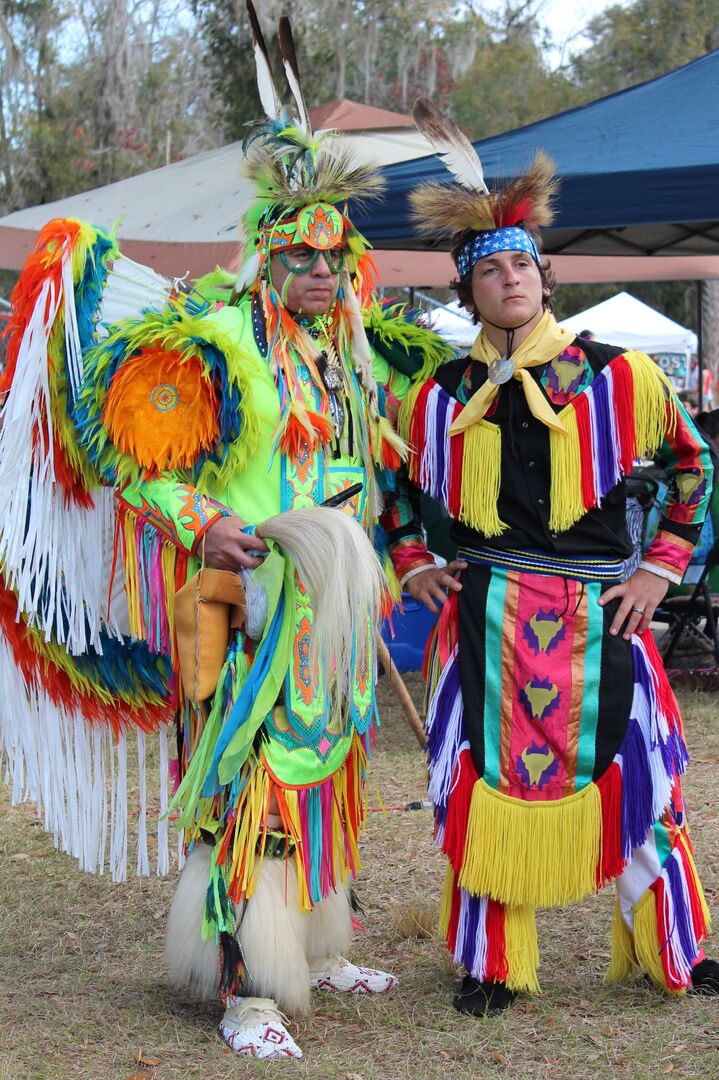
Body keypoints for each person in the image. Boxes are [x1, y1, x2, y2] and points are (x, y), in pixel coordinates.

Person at [0, 10, 455, 1061]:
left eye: (334, 259)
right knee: (254, 776)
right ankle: (247, 986)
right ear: (264, 251)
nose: (319, 273)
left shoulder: (341, 354)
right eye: (298, 254)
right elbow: (134, 464)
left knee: (332, 758)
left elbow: (369, 460)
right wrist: (205, 524)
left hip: (335, 595)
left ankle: (319, 945)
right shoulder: (210, 339)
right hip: (241, 595)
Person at [393, 97, 719, 1015]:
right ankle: (490, 964)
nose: (508, 280)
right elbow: (392, 488)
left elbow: (693, 466)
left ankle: (677, 948)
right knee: (479, 783)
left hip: (596, 609)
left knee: (638, 773)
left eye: (519, 265)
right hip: (487, 612)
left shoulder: (615, 374)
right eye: (488, 271)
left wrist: (658, 568)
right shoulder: (437, 397)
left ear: (545, 277)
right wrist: (416, 557)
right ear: (467, 294)